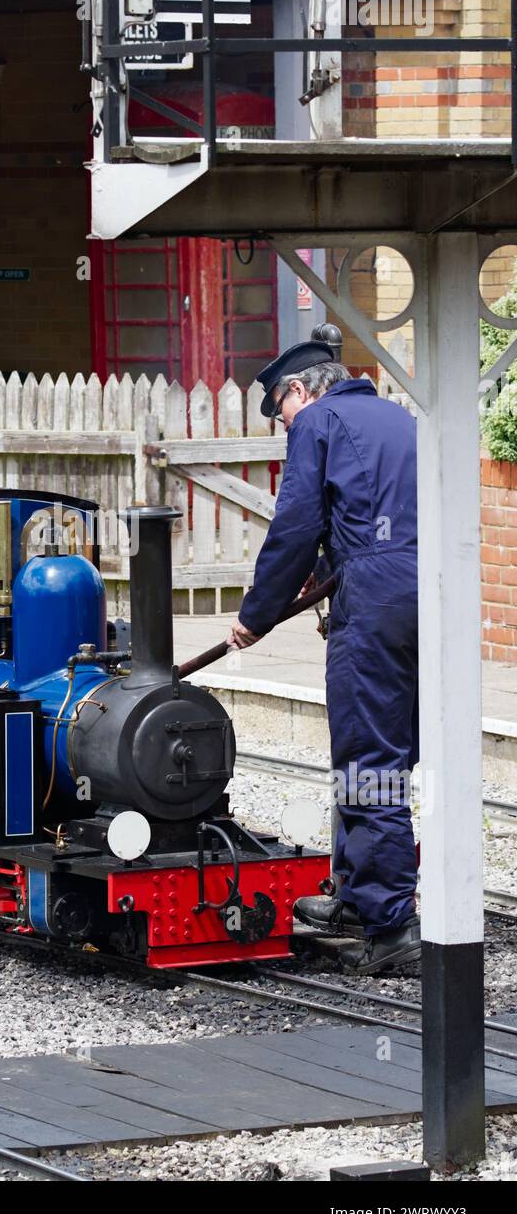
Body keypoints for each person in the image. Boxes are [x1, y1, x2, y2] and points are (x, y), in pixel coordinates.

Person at [231, 339, 420, 975]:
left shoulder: (318, 421)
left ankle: (389, 923)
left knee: (370, 760)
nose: (283, 423)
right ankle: (356, 892)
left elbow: (295, 523)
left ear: (301, 391)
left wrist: (256, 617)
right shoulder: (401, 418)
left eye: (279, 408)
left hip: (373, 602)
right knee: (394, 752)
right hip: (431, 593)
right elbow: (371, 518)